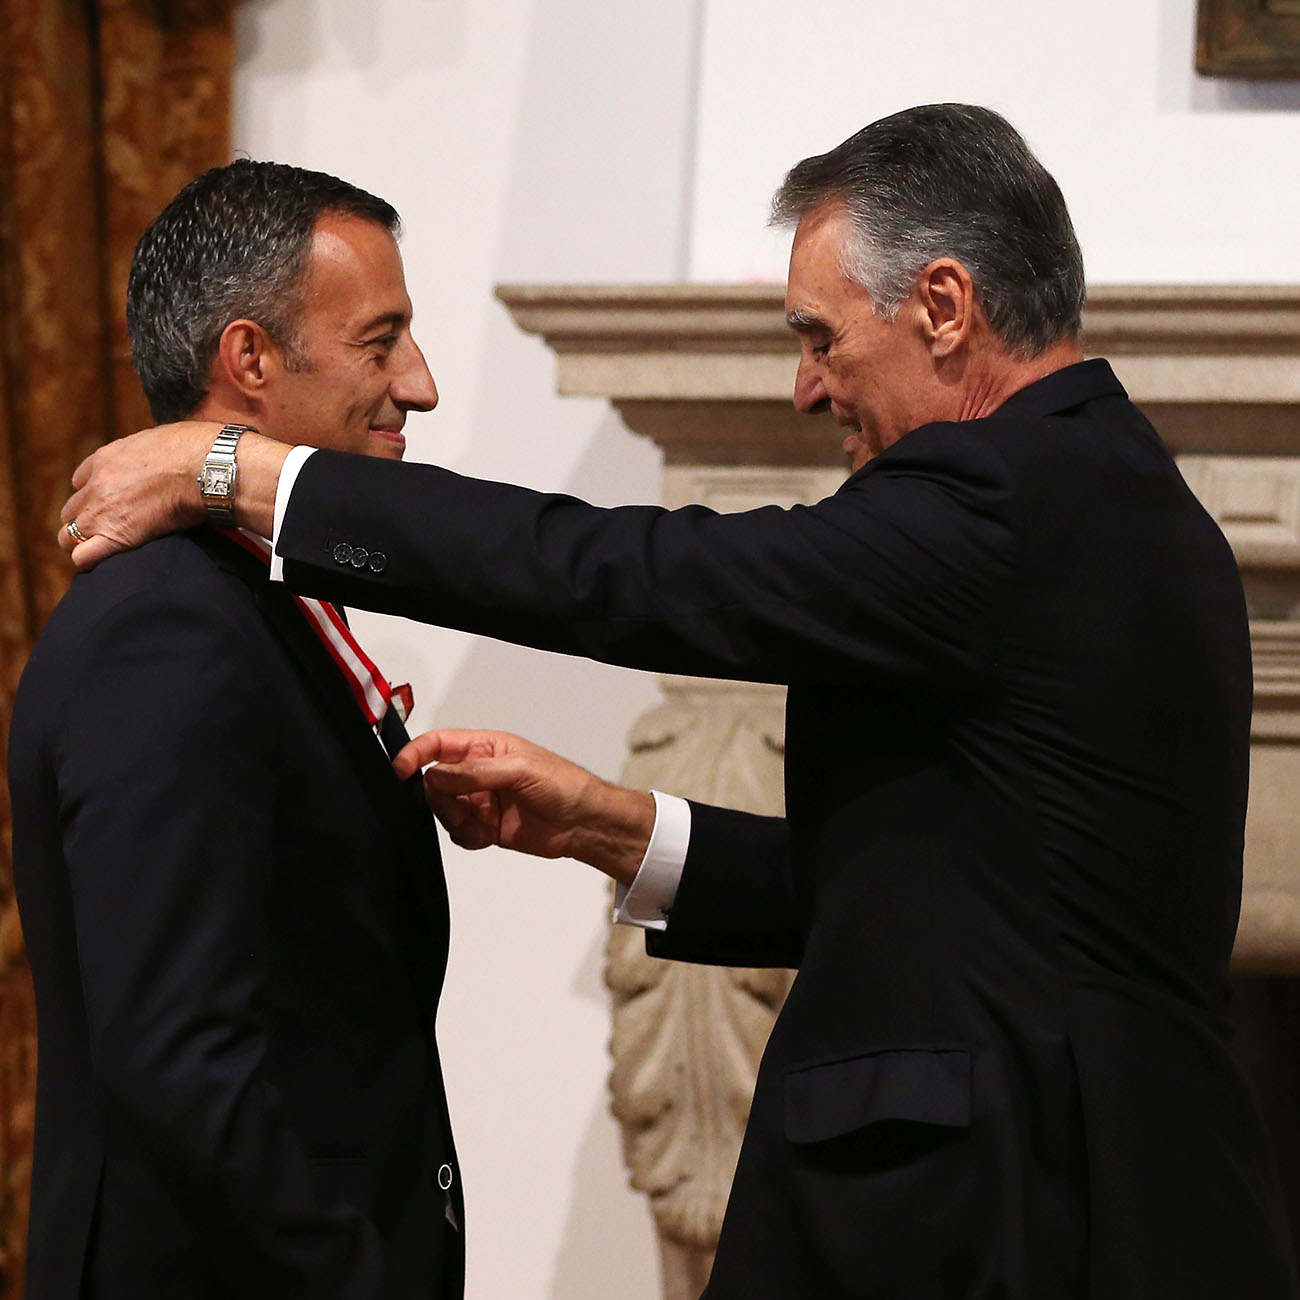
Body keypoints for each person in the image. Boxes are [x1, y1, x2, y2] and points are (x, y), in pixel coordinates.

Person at [56, 105, 1298, 1298]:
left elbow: (634, 574)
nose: (807, 387)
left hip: (1020, 1221)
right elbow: (937, 895)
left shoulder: (1011, 501)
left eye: (819, 337)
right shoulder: (1111, 490)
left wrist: (244, 470)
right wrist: (610, 825)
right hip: (1102, 1198)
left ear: (941, 305)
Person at [10, 160, 463, 1299]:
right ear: (250, 360)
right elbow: (180, 1060)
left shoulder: (238, 593)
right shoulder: (167, 627)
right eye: (380, 342)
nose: (419, 385)